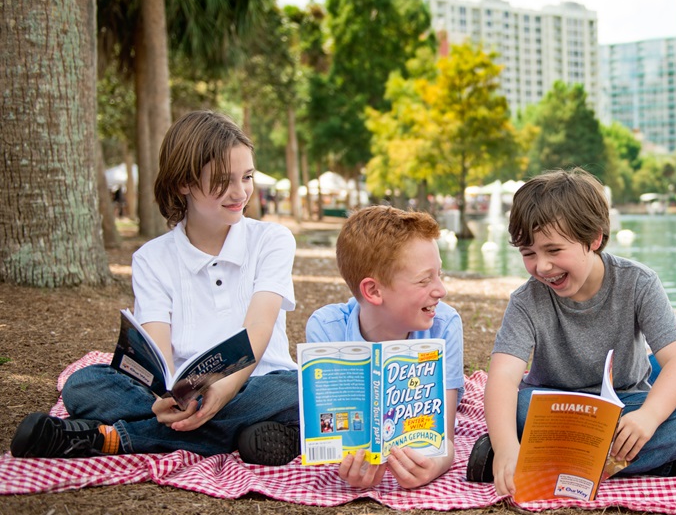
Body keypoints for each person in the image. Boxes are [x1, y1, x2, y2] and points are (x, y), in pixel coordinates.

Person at [10, 111, 301, 466]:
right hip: (186, 395)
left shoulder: (272, 240)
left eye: (247, 176)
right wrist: (166, 399)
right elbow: (157, 352)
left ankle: (110, 438)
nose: (240, 192)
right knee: (84, 383)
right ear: (184, 183)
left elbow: (259, 328)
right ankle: (241, 434)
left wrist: (222, 393)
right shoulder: (152, 258)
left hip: (261, 382)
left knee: (300, 389)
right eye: (224, 180)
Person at [468, 168, 676, 496]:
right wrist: (505, 444)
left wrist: (648, 418)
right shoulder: (526, 301)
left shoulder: (639, 283)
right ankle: (661, 464)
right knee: (515, 407)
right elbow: (501, 378)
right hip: (551, 409)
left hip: (625, 404)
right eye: (529, 254)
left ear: (594, 238)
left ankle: (547, 464)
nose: (541, 266)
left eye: (554, 251)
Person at [306, 205, 464, 489]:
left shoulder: (445, 325)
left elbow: (445, 440)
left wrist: (438, 464)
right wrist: (346, 463)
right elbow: (329, 435)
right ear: (374, 291)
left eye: (439, 274)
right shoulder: (327, 329)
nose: (441, 289)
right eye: (424, 279)